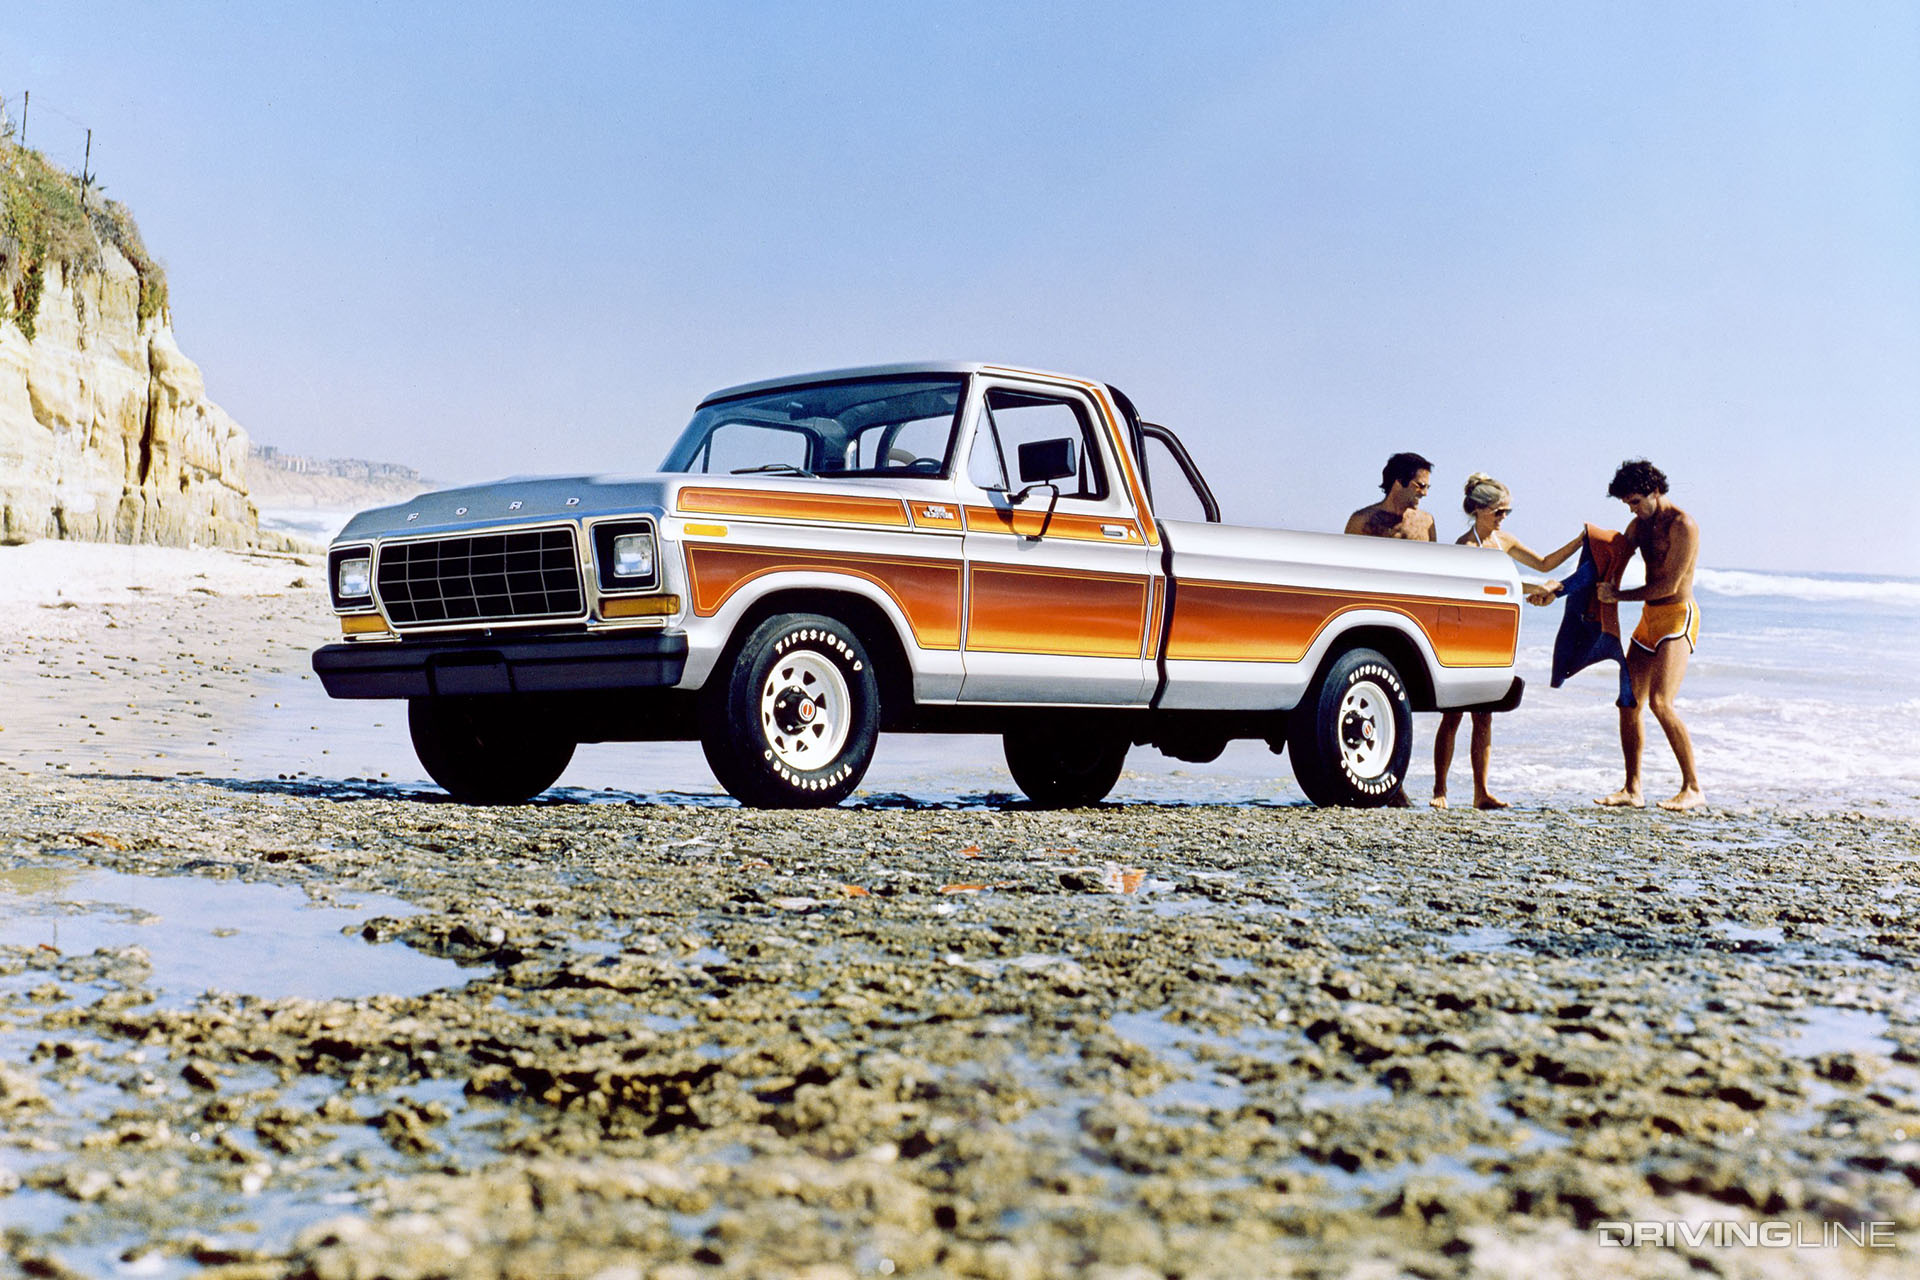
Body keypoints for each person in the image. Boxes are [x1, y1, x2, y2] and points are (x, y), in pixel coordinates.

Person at [1540, 460, 1703, 811]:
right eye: (1627, 503)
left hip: (1677, 617)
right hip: (1649, 619)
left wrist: (1619, 597)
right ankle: (1633, 789)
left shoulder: (1683, 526)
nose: (1632, 509)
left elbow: (1668, 585)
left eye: (1635, 501)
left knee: (1660, 702)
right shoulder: (1639, 526)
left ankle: (1692, 788)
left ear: (1655, 491)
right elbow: (1608, 561)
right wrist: (1559, 589)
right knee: (1628, 703)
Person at [1431, 474, 1584, 809]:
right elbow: (1486, 588)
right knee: (1453, 716)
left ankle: (1480, 792)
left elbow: (1544, 564)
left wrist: (1579, 541)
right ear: (1479, 510)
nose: (1503, 518)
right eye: (1499, 512)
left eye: (1507, 513)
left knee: (1485, 716)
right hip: (1463, 639)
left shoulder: (1504, 540)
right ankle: (1439, 790)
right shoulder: (1466, 547)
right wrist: (1533, 588)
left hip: (1494, 638)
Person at [1345, 453, 1437, 541]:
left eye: (1427, 487)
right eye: (1420, 486)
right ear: (1399, 482)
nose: (1425, 493)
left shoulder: (1427, 522)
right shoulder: (1362, 521)